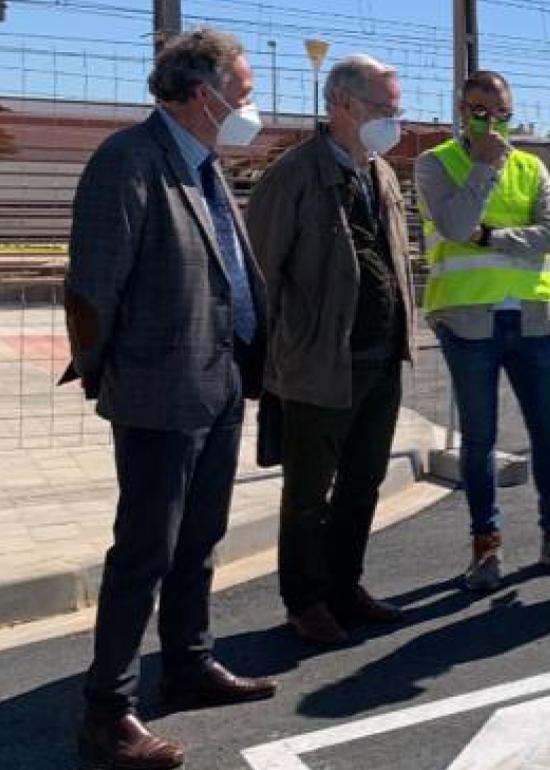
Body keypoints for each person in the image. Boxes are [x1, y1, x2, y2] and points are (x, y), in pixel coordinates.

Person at [63, 29, 277, 769]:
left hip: (218, 383)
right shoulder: (128, 161)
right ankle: (108, 711)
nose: (251, 106)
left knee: (200, 540)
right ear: (201, 94)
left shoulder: (206, 165)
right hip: (157, 391)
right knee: (144, 552)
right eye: (243, 93)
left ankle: (188, 662)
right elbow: (91, 287)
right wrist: (105, 375)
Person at [246, 55, 416, 645]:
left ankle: (346, 586)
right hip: (318, 365)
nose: (394, 121)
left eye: (397, 110)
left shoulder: (383, 173)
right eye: (383, 109)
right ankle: (305, 600)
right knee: (307, 495)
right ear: (342, 104)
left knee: (363, 482)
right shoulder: (292, 176)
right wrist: (266, 365)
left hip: (381, 361)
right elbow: (259, 275)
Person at [414, 70, 550, 592]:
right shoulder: (435, 165)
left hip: (533, 318)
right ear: (461, 110)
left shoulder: (531, 166)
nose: (491, 122)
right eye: (480, 111)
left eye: (501, 114)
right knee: (479, 440)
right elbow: (453, 227)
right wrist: (481, 168)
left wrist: (491, 236)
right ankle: (485, 546)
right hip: (467, 320)